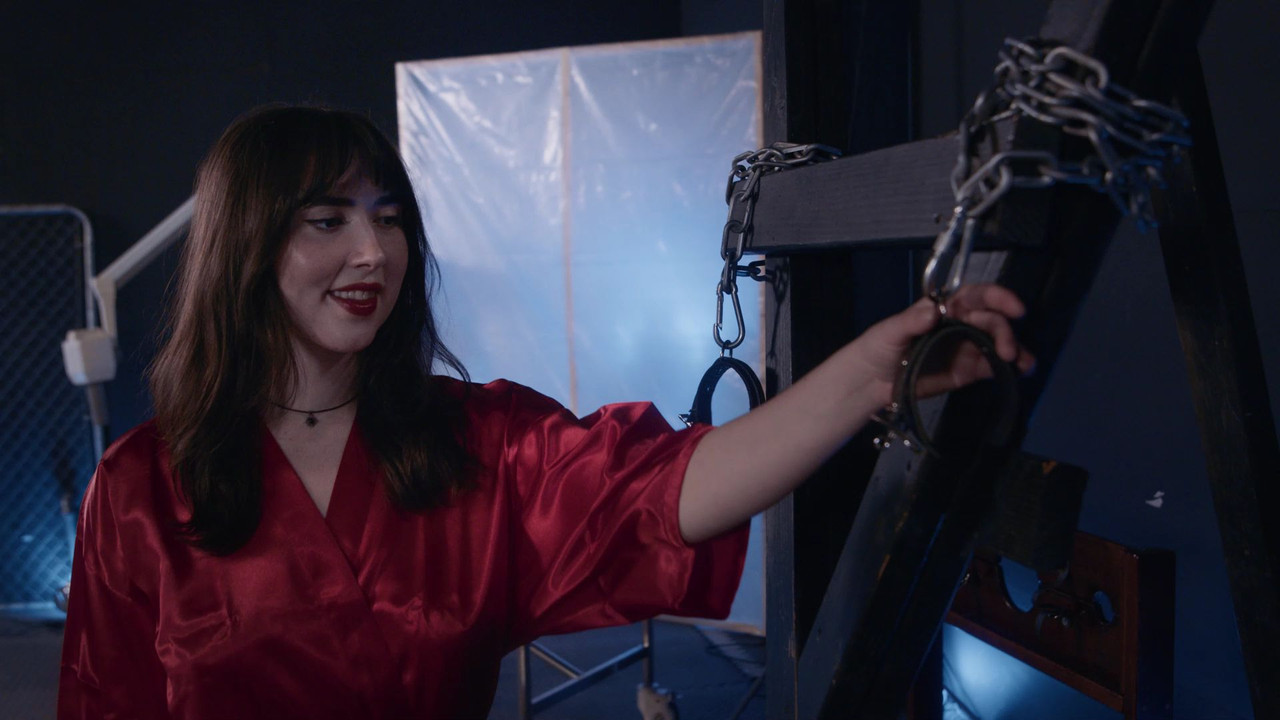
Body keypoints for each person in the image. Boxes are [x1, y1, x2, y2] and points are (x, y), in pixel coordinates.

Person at [57, 104, 1033, 719]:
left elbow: (663, 490)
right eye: (328, 219)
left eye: (389, 218)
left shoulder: (473, 444)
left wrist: (865, 375)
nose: (373, 252)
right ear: (246, 245)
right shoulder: (141, 488)